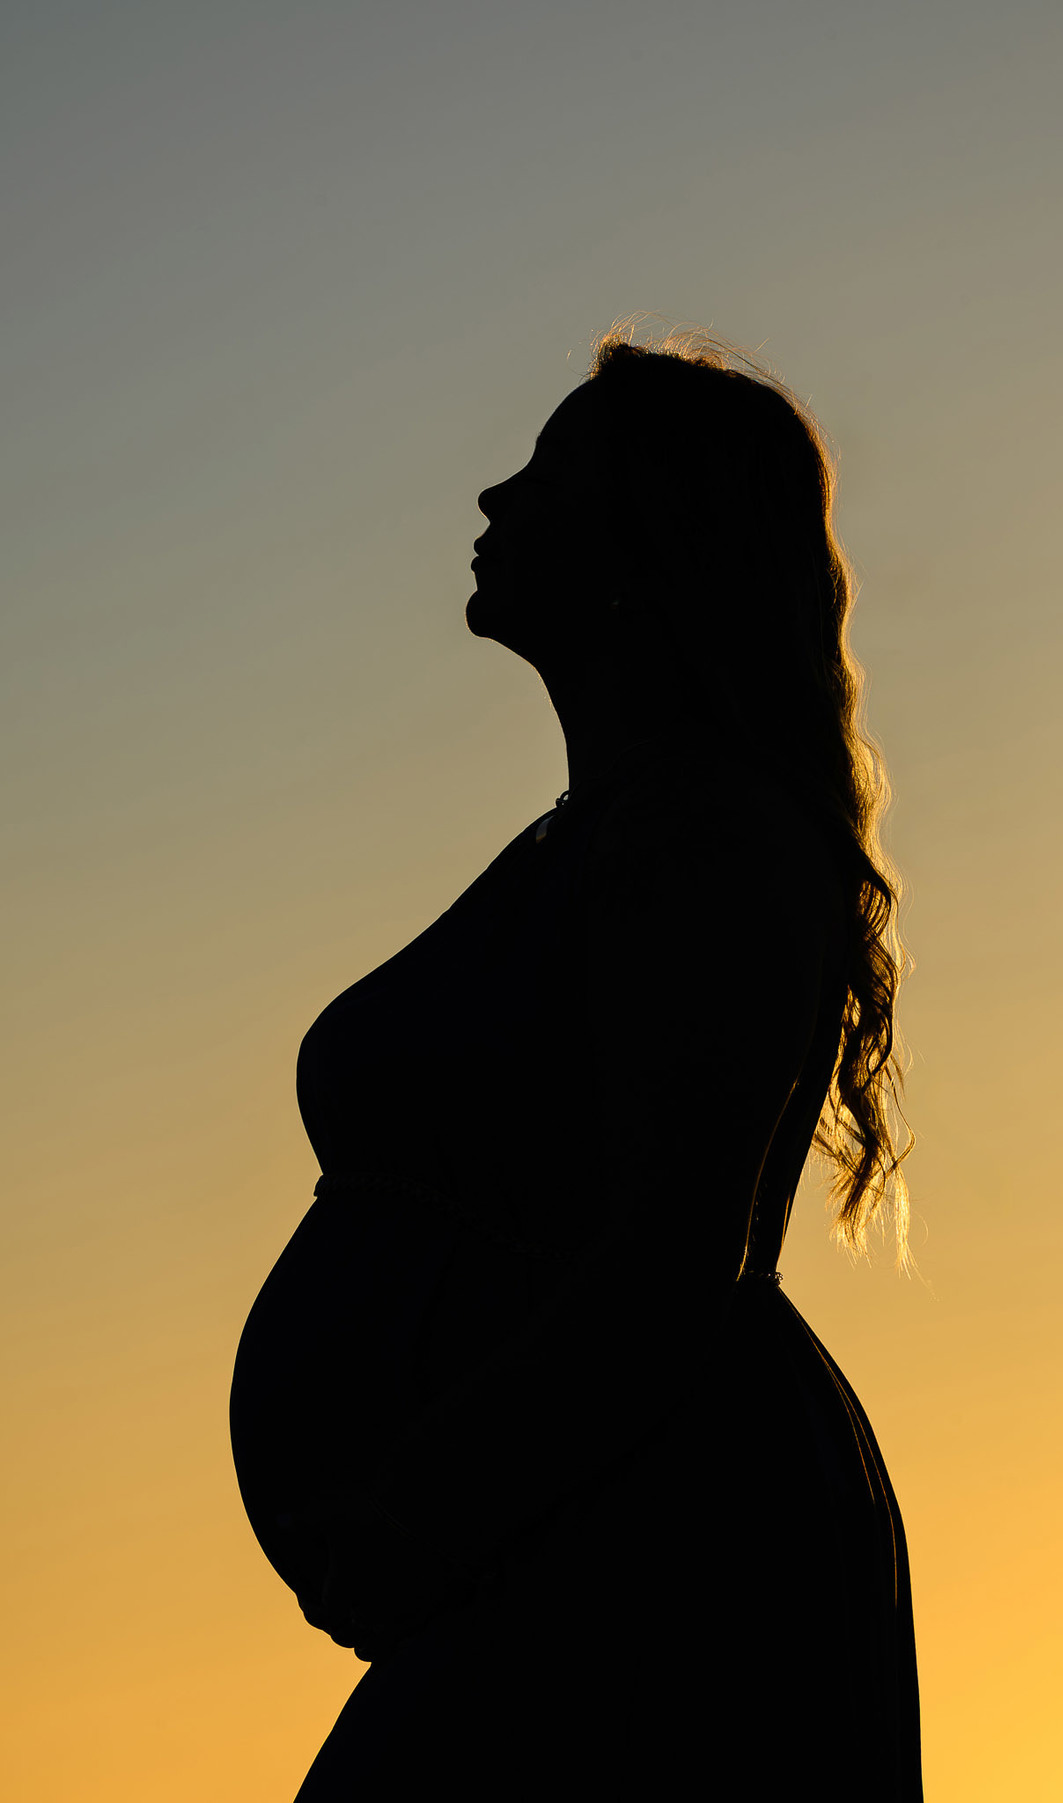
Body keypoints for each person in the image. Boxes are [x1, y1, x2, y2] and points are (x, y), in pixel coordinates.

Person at [229, 327, 923, 1796]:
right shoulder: (600, 834)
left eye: (548, 475)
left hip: (651, 1546)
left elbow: (672, 1249)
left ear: (652, 544)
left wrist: (428, 1504)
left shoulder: (708, 840)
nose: (495, 499)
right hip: (552, 1541)